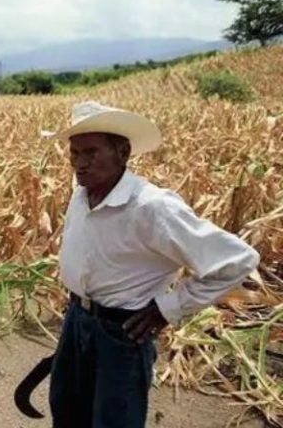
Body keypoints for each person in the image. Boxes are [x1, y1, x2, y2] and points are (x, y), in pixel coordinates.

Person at [45, 101, 260, 428]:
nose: (80, 163)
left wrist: (167, 308)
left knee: (114, 421)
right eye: (74, 153)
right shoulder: (81, 193)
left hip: (122, 332)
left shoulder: (151, 207)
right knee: (67, 412)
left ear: (122, 153)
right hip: (77, 321)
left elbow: (237, 261)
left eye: (91, 152)